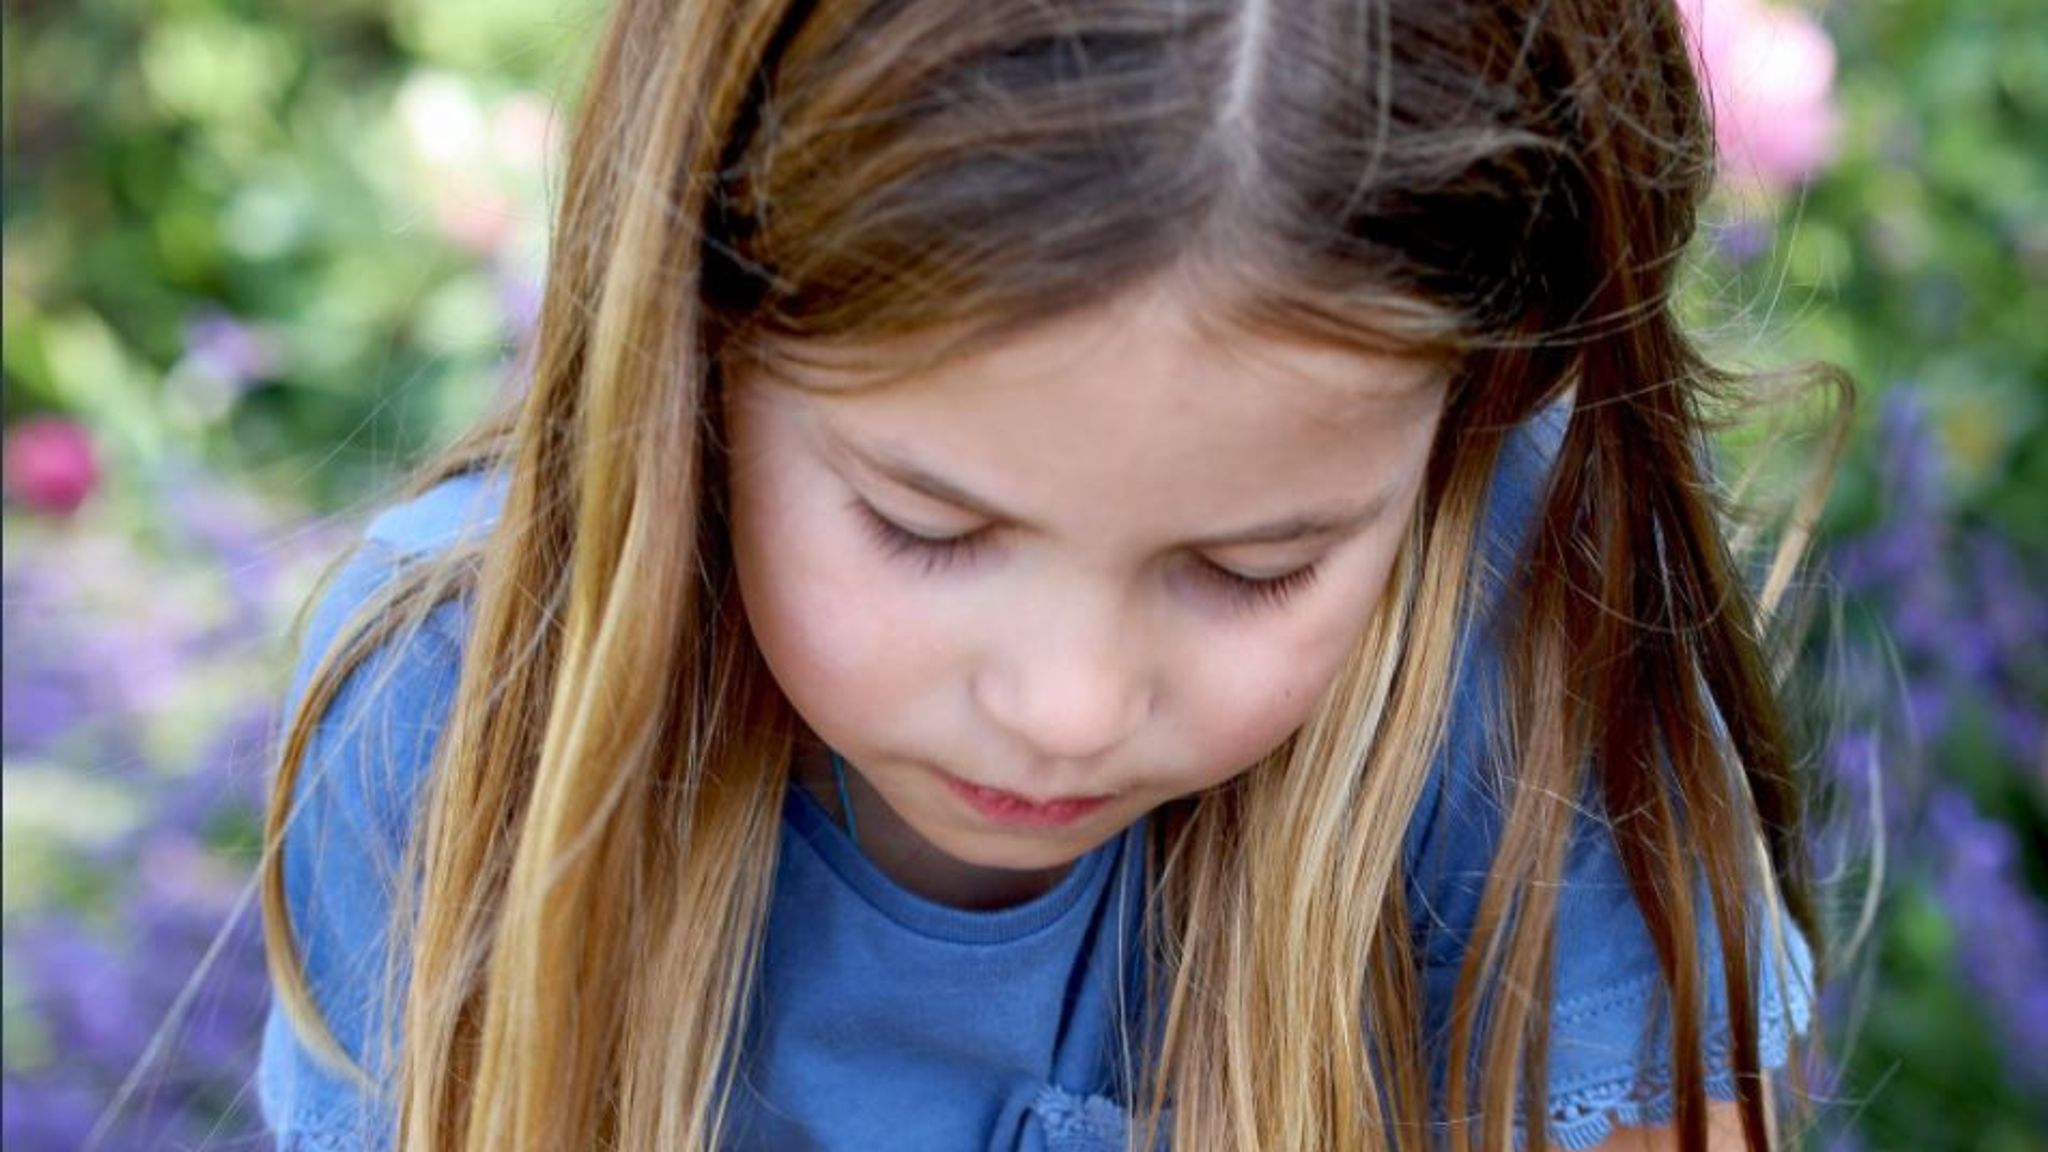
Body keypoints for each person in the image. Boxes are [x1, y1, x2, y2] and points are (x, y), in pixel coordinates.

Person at [254, 0, 1833, 1149]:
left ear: (1469, 420)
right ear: (697, 359)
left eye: (1254, 567)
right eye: (926, 529)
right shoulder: (452, 710)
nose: (1069, 712)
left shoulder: (1520, 644)